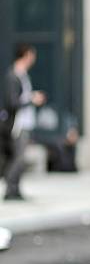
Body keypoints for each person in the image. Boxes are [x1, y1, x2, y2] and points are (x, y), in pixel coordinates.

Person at [1, 44, 46, 200]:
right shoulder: (13, 76)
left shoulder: (22, 75)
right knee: (18, 157)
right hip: (17, 125)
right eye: (32, 55)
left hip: (25, 123)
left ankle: (15, 189)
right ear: (26, 55)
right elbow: (12, 102)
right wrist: (32, 100)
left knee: (19, 157)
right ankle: (9, 188)